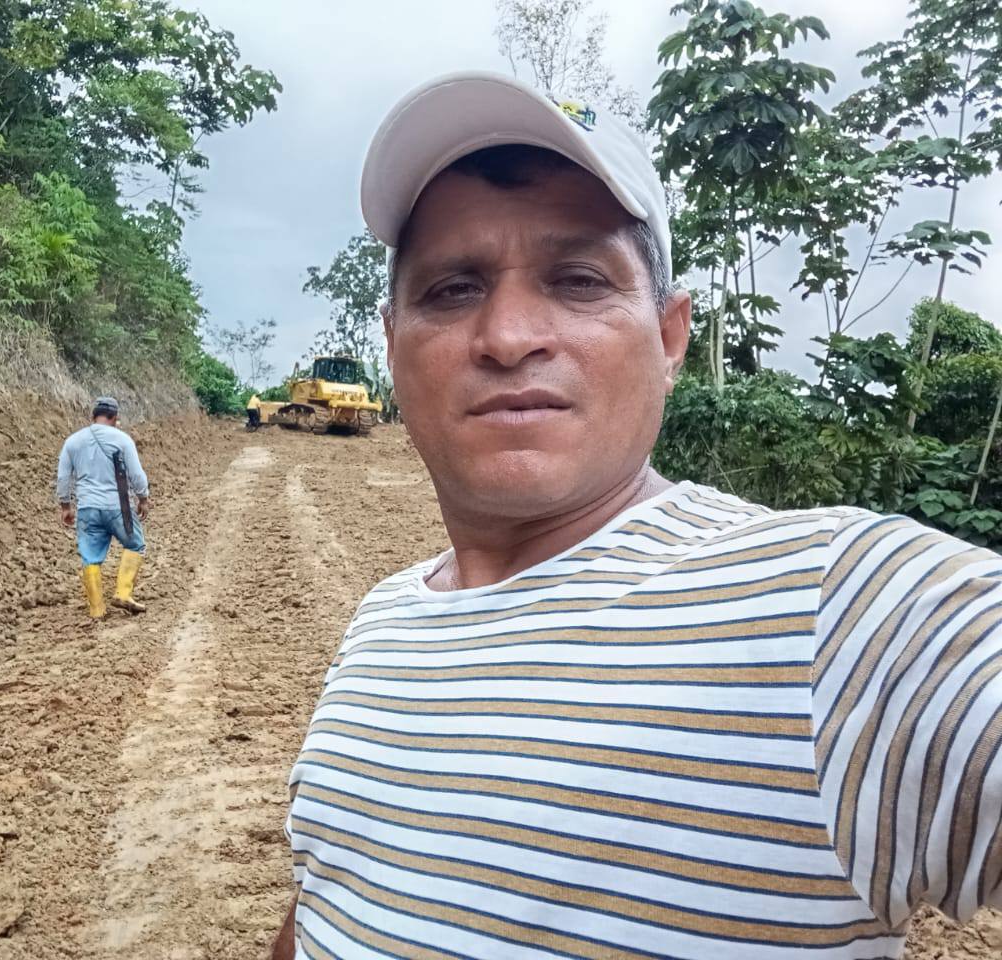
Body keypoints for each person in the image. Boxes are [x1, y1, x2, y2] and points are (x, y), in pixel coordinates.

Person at [272, 71, 1002, 959]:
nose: (508, 336)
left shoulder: (837, 608)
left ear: (669, 337)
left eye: (578, 280)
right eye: (453, 289)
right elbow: (325, 899)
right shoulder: (382, 622)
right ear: (393, 346)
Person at [56, 396, 150, 619]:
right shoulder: (123, 439)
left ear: (93, 416)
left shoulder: (73, 441)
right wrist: (143, 498)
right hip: (118, 507)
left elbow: (63, 478)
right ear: (115, 418)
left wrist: (65, 506)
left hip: (87, 508)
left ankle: (97, 609)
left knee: (90, 557)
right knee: (135, 545)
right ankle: (123, 594)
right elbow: (136, 474)